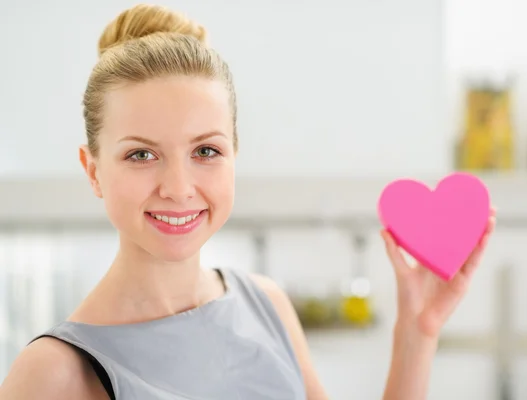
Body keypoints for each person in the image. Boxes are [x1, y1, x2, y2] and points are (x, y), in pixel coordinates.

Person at [0, 4, 496, 400]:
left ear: (235, 153)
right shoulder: (54, 375)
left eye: (206, 151)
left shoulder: (266, 306)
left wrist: (417, 331)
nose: (178, 186)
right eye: (141, 154)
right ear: (93, 171)